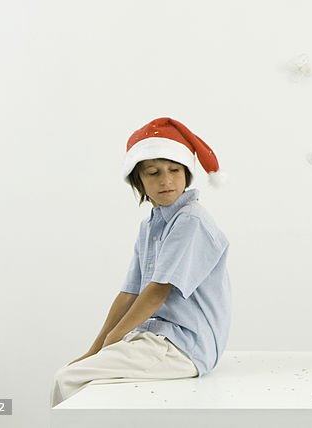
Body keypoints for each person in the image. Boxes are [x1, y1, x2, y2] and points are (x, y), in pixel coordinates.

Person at [50, 117, 231, 407]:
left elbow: (158, 291)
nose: (166, 180)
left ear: (187, 173)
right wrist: (95, 348)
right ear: (139, 180)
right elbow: (129, 293)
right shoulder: (151, 226)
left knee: (68, 379)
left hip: (185, 346)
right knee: (75, 372)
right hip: (157, 337)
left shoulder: (191, 220)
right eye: (153, 173)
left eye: (174, 170)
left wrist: (112, 340)